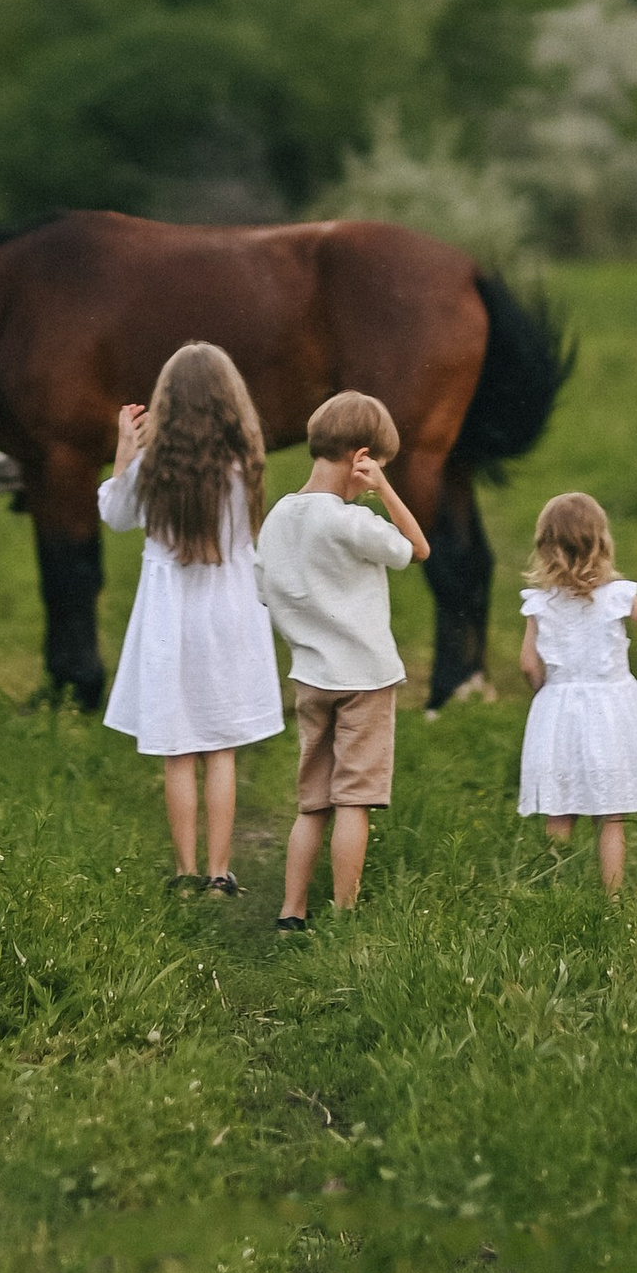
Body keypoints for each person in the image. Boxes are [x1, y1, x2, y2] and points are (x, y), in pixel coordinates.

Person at [98, 341, 284, 894]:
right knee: (219, 746)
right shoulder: (243, 466)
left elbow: (114, 515)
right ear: (230, 402)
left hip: (169, 618)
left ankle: (183, 876)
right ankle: (219, 872)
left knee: (177, 749)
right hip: (227, 614)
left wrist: (124, 449)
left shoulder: (152, 473)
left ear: (168, 403)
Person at [253, 391, 429, 931]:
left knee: (313, 804)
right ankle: (345, 916)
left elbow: (264, 589)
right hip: (367, 680)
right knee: (355, 801)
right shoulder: (351, 522)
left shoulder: (280, 517)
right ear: (363, 457)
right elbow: (416, 548)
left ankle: (292, 912)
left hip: (311, 678)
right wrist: (387, 489)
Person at [515, 491, 637, 893]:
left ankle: (553, 892)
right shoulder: (616, 596)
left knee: (559, 811)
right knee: (610, 814)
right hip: (609, 713)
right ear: (601, 542)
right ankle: (613, 899)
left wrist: (546, 692)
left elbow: (528, 664)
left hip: (559, 711)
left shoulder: (539, 604)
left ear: (545, 545)